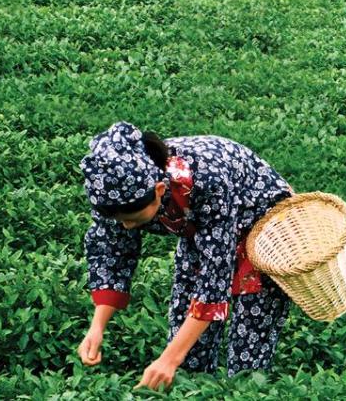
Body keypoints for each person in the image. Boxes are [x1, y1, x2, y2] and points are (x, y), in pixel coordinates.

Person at [78, 121, 294, 390]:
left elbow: (214, 281)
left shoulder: (208, 181)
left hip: (261, 226)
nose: (127, 226)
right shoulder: (113, 190)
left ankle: (243, 389)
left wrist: (168, 360)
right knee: (187, 353)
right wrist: (97, 327)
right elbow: (111, 252)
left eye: (133, 219)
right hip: (201, 228)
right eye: (119, 219)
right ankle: (195, 386)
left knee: (249, 346)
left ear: (159, 190)